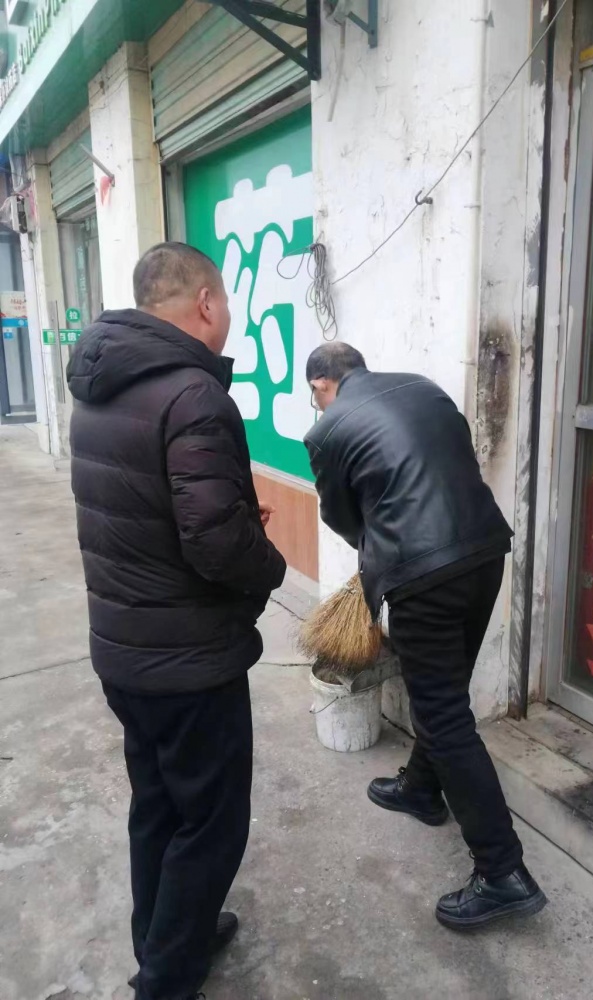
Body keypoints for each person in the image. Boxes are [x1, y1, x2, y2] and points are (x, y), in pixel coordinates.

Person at [67, 243, 286, 1000]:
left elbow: (144, 509)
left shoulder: (99, 386)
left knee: (158, 804)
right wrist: (267, 560)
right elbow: (216, 544)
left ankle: (165, 936)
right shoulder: (193, 392)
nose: (228, 318)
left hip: (124, 651)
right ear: (204, 303)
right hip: (188, 661)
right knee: (211, 823)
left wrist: (227, 518)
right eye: (225, 304)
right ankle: (165, 980)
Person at [304, 342, 546, 930]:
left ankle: (502, 872)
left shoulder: (328, 430)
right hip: (485, 551)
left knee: (443, 716)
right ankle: (419, 787)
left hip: (424, 574)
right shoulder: (423, 385)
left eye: (314, 395)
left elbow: (342, 517)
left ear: (320, 385)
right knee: (446, 694)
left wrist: (387, 552)